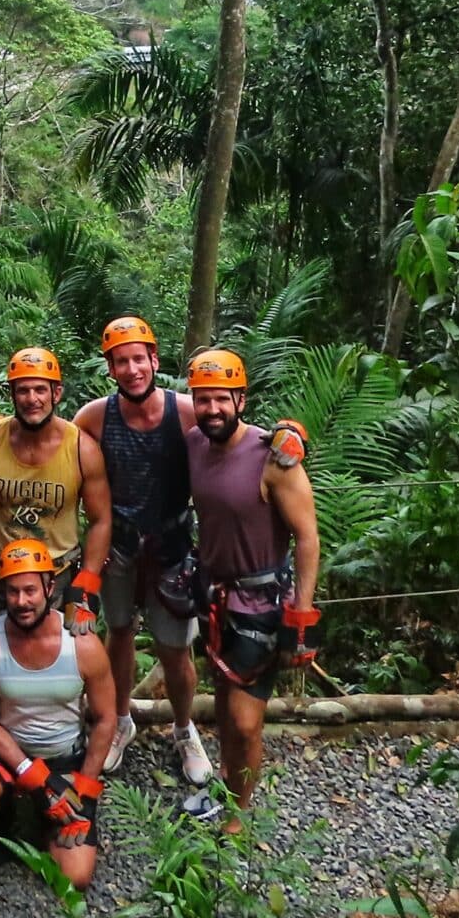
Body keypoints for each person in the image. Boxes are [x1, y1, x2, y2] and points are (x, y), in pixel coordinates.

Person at [184, 348, 321, 829]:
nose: (212, 409)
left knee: (246, 721)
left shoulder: (274, 458)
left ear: (241, 399)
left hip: (261, 603)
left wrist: (301, 615)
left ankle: (238, 817)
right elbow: (147, 407)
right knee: (222, 700)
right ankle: (226, 784)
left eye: (222, 399)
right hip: (213, 594)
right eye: (203, 400)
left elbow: (307, 536)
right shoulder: (195, 442)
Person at [75, 316, 211, 787]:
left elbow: (234, 432)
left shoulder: (187, 411)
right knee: (119, 635)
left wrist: (286, 436)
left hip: (171, 548)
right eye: (121, 361)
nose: (132, 369)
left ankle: (183, 727)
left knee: (175, 650)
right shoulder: (96, 416)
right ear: (110, 368)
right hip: (119, 548)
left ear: (154, 360)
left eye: (139, 358)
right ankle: (119, 720)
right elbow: (54, 444)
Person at [0, 539, 117, 887]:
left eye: (29, 590)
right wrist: (33, 777)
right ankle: (5, 813)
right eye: (12, 592)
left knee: (74, 878)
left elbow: (105, 720)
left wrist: (84, 791)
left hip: (64, 757)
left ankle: (46, 816)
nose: (21, 602)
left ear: (49, 588)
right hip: (7, 754)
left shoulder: (82, 643)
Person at [0, 347, 111, 649]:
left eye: (41, 389)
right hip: (1, 573)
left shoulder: (81, 449)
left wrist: (88, 581)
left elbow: (101, 519)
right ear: (12, 394)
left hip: (59, 574)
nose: (32, 399)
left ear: (57, 393)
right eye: (23, 390)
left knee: (64, 659)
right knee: (1, 659)